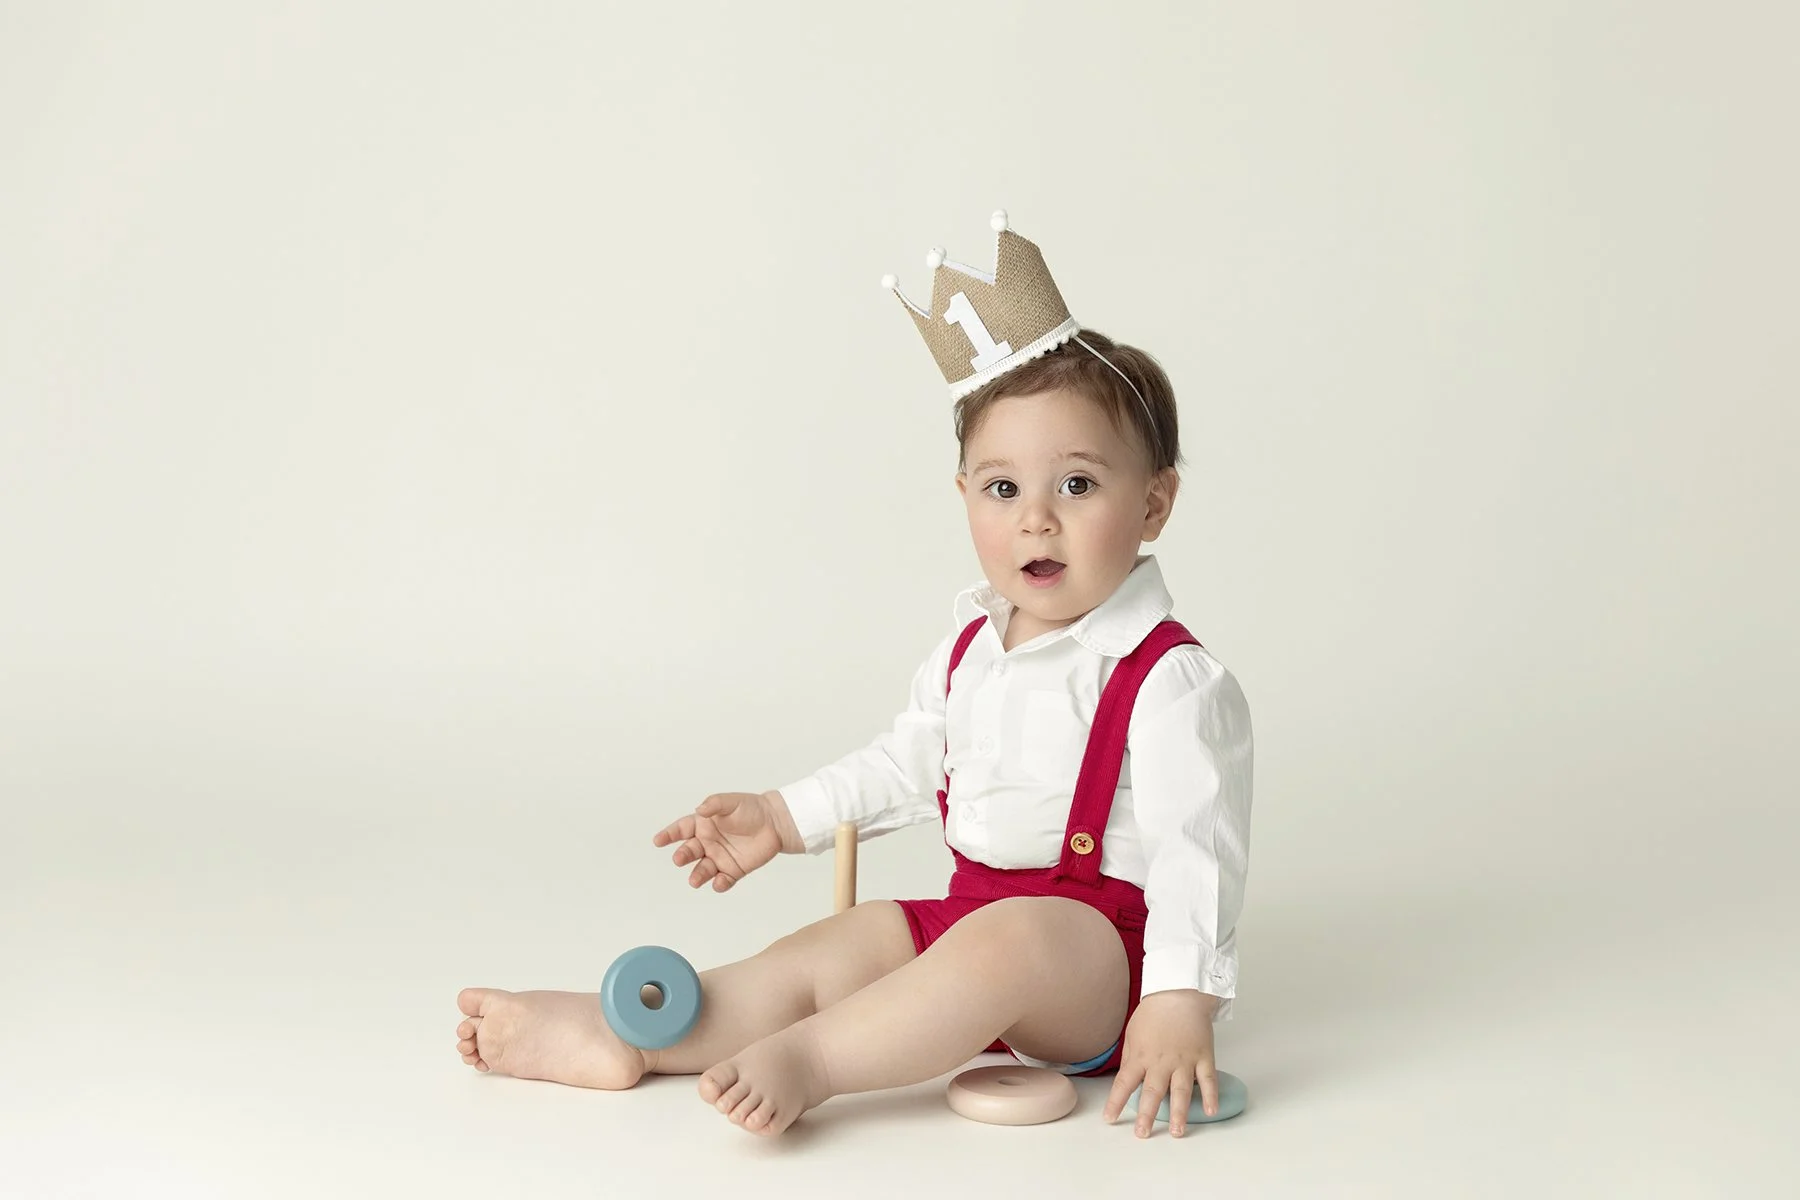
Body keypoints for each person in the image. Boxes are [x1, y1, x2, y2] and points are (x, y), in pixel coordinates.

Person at [453, 212, 1254, 1140]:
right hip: (971, 924)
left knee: (1014, 938)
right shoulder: (971, 648)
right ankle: (634, 1034)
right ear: (965, 496)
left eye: (1077, 485)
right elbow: (905, 764)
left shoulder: (1169, 679)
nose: (1036, 519)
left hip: (1098, 969)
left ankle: (817, 1061)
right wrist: (781, 816)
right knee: (848, 941)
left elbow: (1198, 851)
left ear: (1153, 503)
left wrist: (1180, 999)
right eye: (1003, 489)